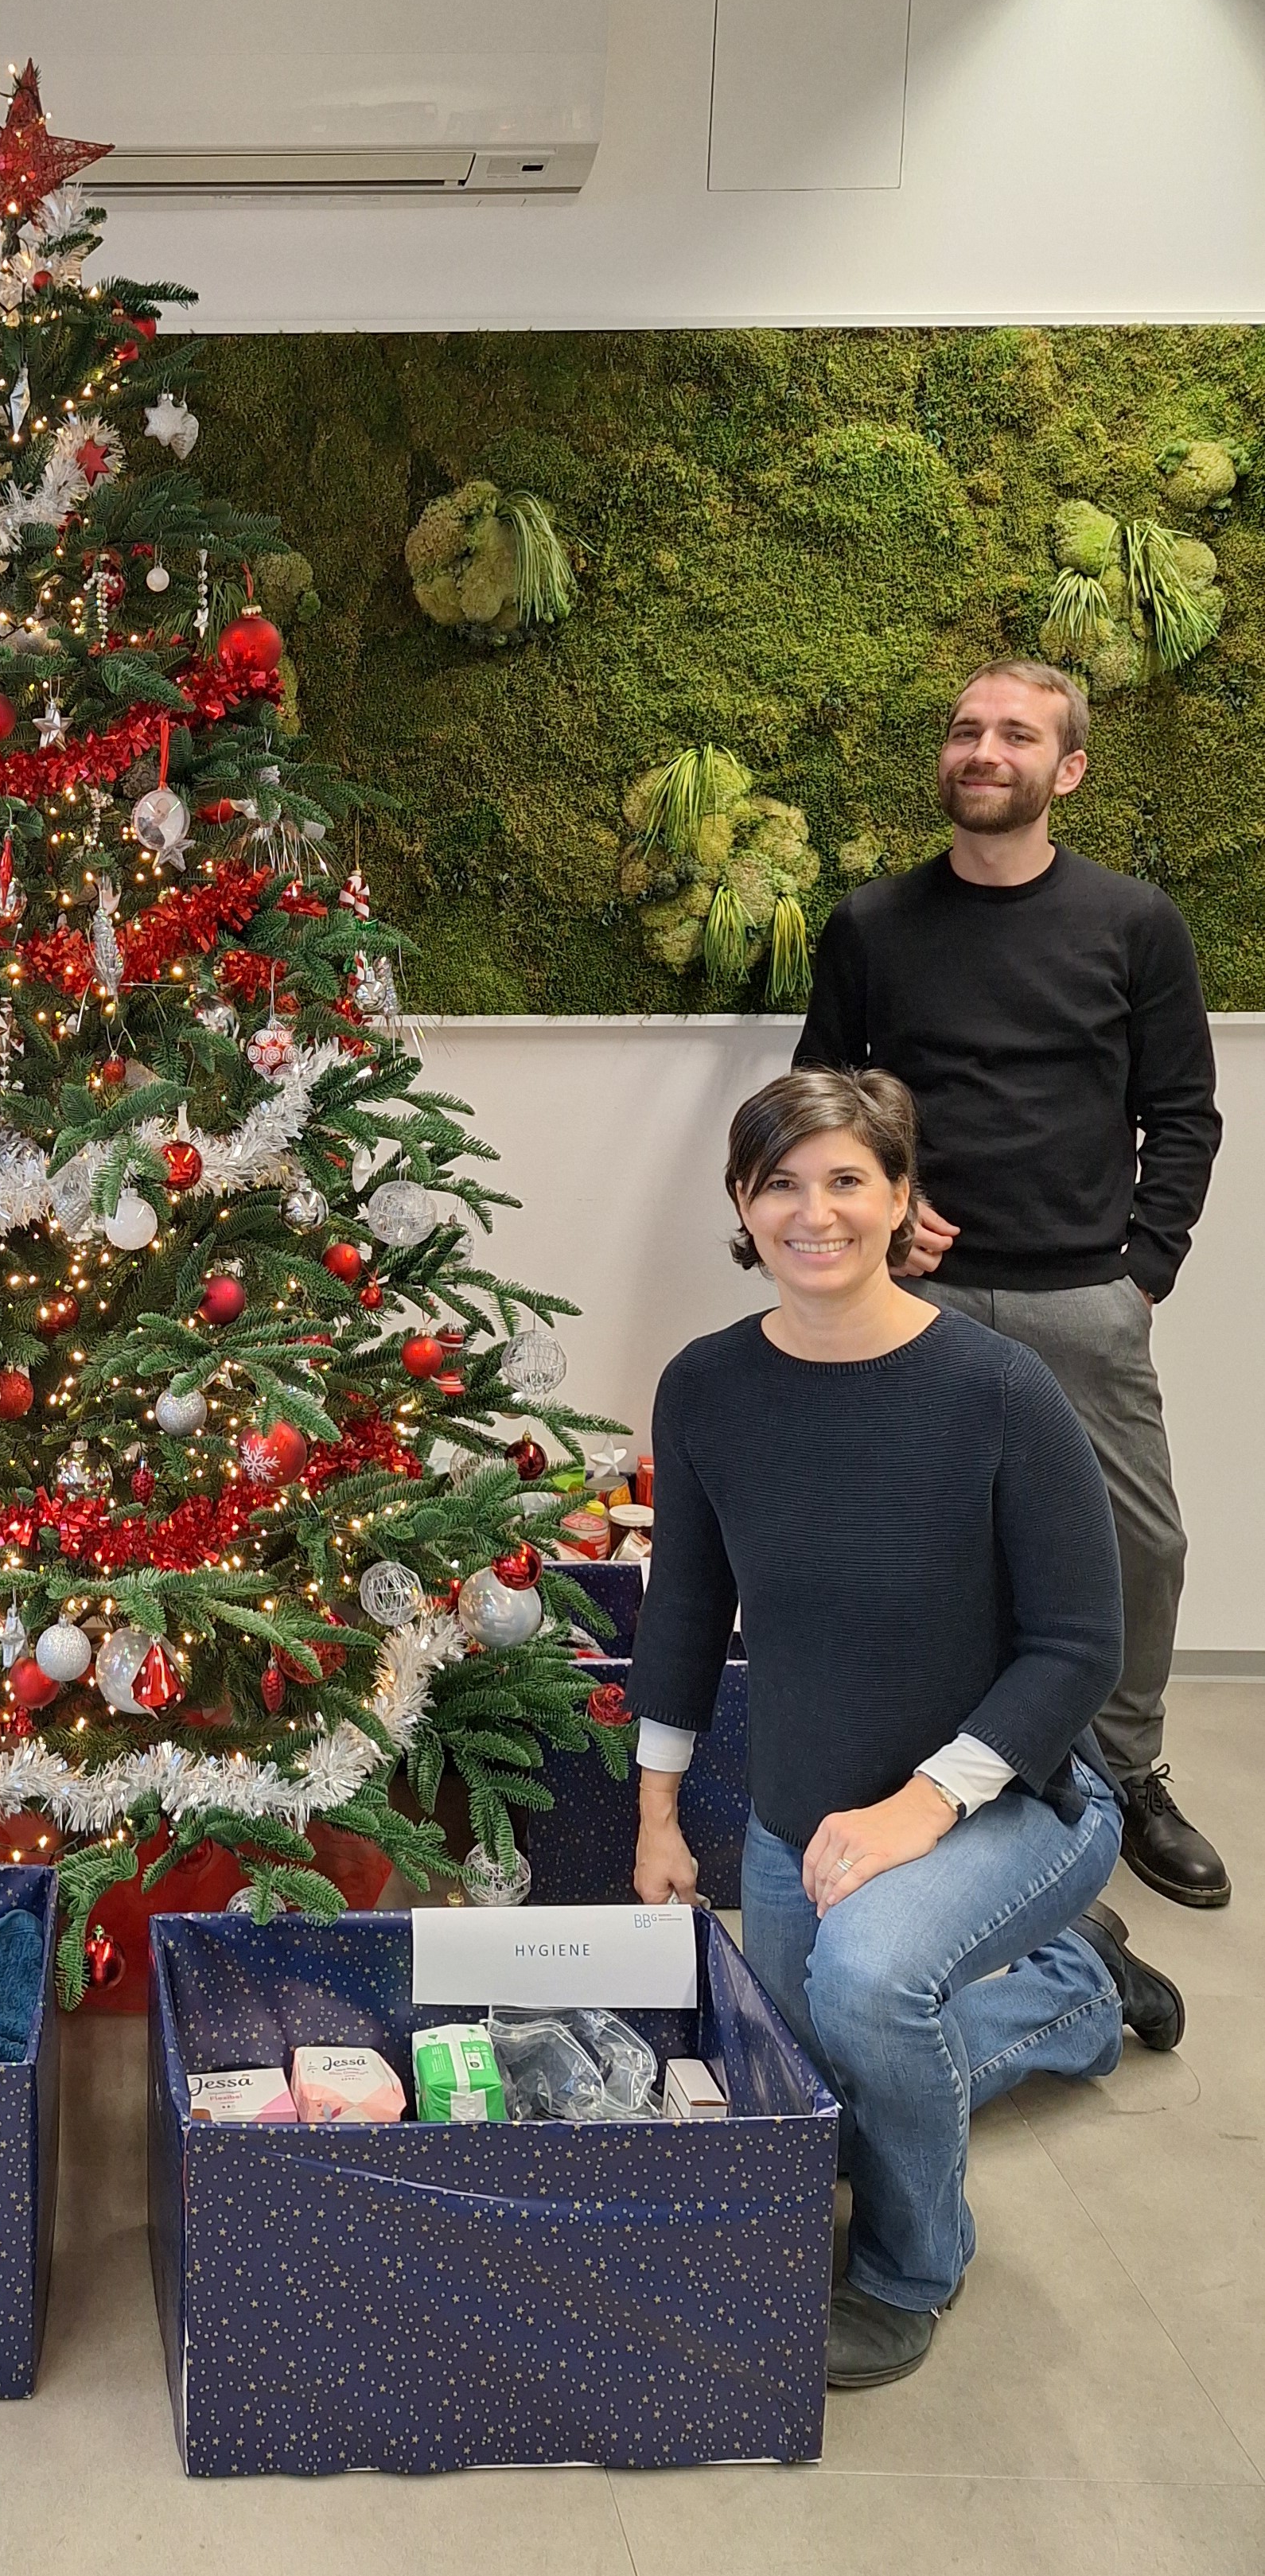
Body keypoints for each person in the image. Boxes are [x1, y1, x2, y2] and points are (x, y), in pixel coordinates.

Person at [630, 1068, 1184, 2391]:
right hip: (799, 1812)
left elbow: (1076, 1650)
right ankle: (1070, 1998)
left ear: (902, 1199)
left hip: (1019, 1800)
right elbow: (689, 1611)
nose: (812, 1211)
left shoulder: (1000, 1390)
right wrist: (656, 1815)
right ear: (743, 1205)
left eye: (845, 1179)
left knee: (873, 1984)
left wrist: (918, 1809)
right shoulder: (708, 1386)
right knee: (821, 2109)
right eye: (779, 1181)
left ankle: (907, 2269)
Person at [794, 660, 1225, 1907]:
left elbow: (1183, 1112)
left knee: (1140, 1544)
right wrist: (885, 1204)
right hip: (909, 1302)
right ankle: (922, 1775)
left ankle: (1130, 1768)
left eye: (1017, 734)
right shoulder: (873, 923)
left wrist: (1143, 1269)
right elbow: (822, 1101)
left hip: (1085, 1297)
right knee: (909, 1550)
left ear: (1067, 768)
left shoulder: (1136, 924)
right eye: (966, 730)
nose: (985, 749)